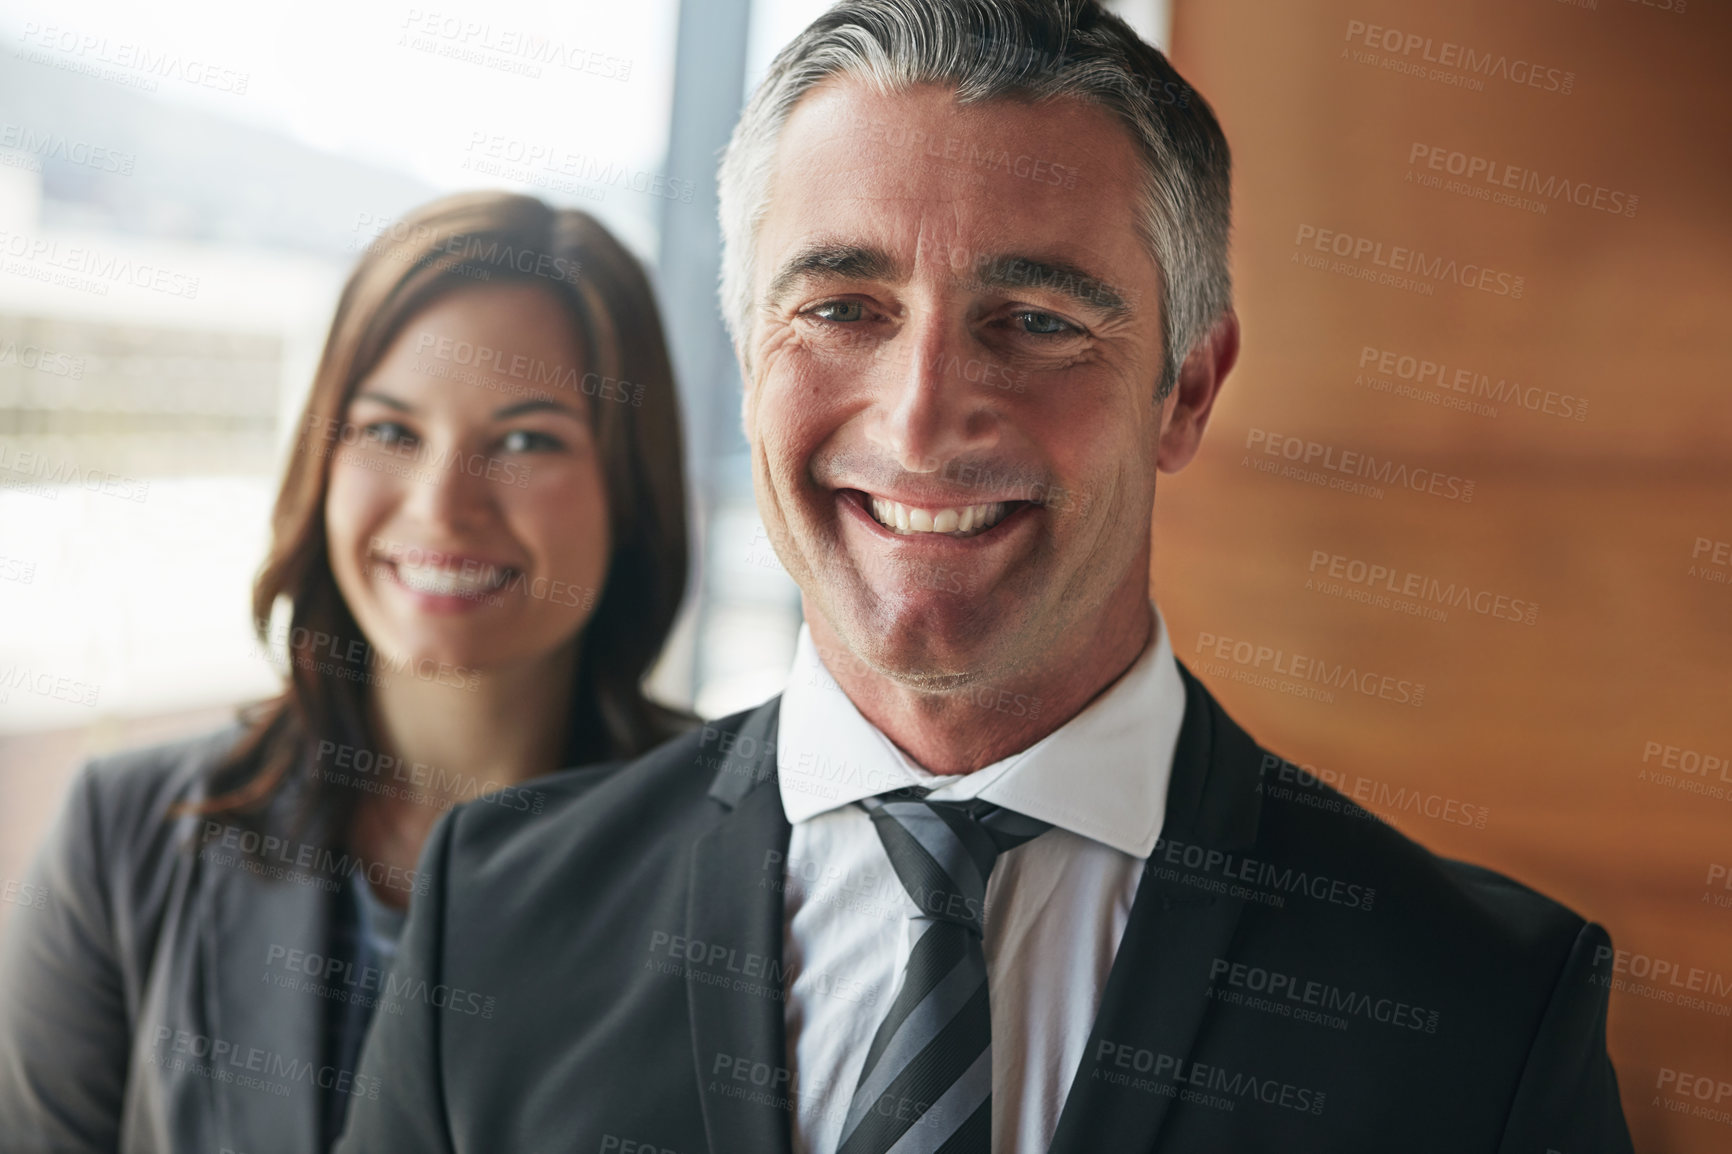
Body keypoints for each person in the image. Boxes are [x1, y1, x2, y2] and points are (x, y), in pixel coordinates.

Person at [337, 4, 1635, 1152]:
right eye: (843, 306)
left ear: (1187, 388)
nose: (920, 418)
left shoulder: (1482, 1006)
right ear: (746, 356)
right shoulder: (496, 912)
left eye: (1038, 321)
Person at [0, 191, 693, 1153]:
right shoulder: (123, 837)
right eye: (389, 431)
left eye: (527, 440)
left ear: (630, 484)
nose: (442, 508)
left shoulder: (740, 859)